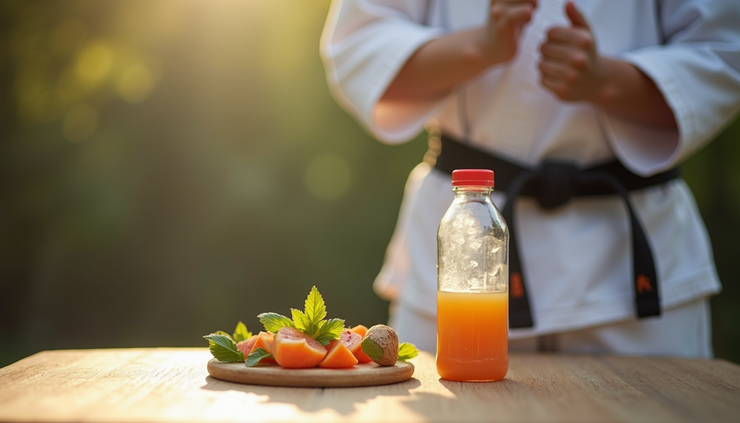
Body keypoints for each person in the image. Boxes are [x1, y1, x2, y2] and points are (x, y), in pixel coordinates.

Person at [320, 0, 740, 356]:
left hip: (631, 273)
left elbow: (723, 50)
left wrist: (606, 81)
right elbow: (360, 41)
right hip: (461, 264)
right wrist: (477, 48)